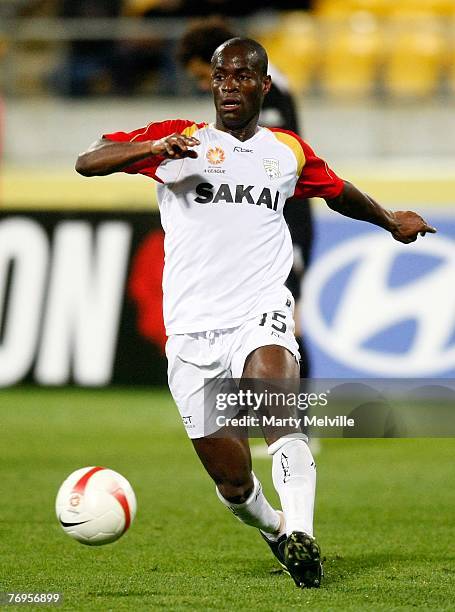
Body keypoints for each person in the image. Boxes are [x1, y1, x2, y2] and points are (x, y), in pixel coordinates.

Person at [76, 38, 435, 589]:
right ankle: (275, 532)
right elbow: (89, 160)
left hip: (260, 308)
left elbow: (336, 192)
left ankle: (305, 535)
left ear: (263, 86)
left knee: (279, 412)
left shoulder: (285, 151)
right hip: (193, 330)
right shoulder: (180, 138)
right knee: (234, 484)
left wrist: (391, 221)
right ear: (211, 85)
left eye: (242, 78)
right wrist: (152, 152)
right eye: (221, 78)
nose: (229, 88)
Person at [178, 21, 313, 380]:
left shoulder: (270, 98)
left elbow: (275, 159)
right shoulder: (262, 85)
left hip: (284, 218)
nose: (205, 84)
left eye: (202, 74)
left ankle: (299, 426)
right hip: (271, 217)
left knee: (287, 326)